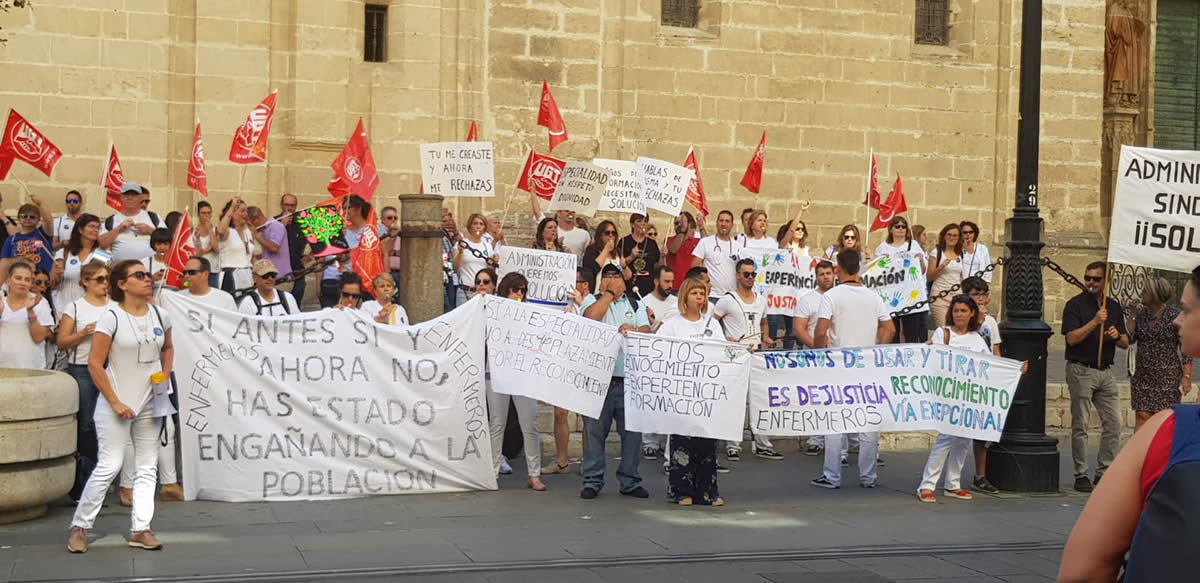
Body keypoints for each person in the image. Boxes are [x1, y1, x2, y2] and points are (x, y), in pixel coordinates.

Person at [1058, 265, 1200, 582]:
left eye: (1188, 310)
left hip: (1159, 374)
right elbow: (1126, 339)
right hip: (1133, 373)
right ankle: (1104, 474)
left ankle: (1114, 473)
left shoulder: (1174, 431)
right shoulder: (1081, 307)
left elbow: (1084, 571)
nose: (1179, 319)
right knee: (1117, 425)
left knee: (1125, 428)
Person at [68, 259, 174, 554]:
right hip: (116, 401)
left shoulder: (160, 314)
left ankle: (141, 529)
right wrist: (115, 401)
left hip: (151, 401)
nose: (147, 279)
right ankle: (81, 526)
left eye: (147, 274)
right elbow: (94, 364)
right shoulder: (111, 317)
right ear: (122, 284)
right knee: (110, 464)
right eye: (139, 275)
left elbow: (168, 348)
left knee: (146, 467)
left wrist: (164, 378)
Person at [918, 296, 1026, 503]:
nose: (959, 314)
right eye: (956, 310)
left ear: (972, 314)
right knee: (946, 439)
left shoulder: (976, 339)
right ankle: (927, 484)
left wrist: (1015, 368)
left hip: (969, 397)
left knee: (963, 441)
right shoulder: (944, 333)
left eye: (963, 311)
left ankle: (953, 483)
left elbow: (990, 363)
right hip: (949, 394)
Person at [810, 249, 895, 490]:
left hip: (838, 364)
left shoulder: (832, 296)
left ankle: (832, 475)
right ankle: (868, 476)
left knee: (835, 421)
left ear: (838, 268)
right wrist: (876, 350)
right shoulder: (873, 297)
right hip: (866, 365)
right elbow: (889, 328)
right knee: (868, 422)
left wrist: (819, 356)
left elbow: (820, 330)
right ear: (859, 267)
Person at [579, 263, 651, 500]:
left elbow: (647, 330)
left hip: (628, 378)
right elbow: (590, 319)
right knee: (594, 433)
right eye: (607, 276)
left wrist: (635, 328)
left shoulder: (634, 303)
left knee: (631, 434)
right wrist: (609, 294)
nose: (612, 279)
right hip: (599, 379)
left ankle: (630, 480)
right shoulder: (592, 301)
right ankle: (592, 479)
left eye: (616, 276)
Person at [1062, 261, 1130, 493]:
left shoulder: (1113, 306)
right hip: (1081, 370)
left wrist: (1115, 335)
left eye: (1096, 279)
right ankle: (1081, 473)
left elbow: (1124, 341)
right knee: (1080, 424)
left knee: (1114, 423)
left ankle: (1104, 471)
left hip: (1105, 371)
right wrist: (1094, 322)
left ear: (1105, 281)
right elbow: (1071, 339)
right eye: (1088, 278)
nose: (1091, 282)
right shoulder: (1075, 305)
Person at [659, 276, 727, 506]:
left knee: (706, 444)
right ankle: (681, 490)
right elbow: (658, 349)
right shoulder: (672, 324)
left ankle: (707, 490)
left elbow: (723, 351)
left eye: (702, 294)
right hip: (681, 392)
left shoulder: (712, 325)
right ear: (685, 297)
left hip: (705, 392)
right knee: (682, 442)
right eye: (695, 293)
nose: (700, 297)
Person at [713, 258, 781, 461]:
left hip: (756, 355)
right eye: (746, 274)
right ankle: (733, 444)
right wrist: (726, 339)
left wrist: (766, 337)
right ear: (737, 275)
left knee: (760, 399)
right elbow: (712, 324)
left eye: (753, 274)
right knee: (736, 401)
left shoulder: (761, 299)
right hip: (736, 356)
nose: (750, 278)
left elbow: (764, 322)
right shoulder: (727, 299)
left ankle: (763, 444)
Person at [57, 261, 113, 501]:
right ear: (85, 283)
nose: (104, 284)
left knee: (110, 423)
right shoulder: (76, 307)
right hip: (82, 368)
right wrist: (84, 333)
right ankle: (87, 478)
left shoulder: (115, 306)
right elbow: (62, 341)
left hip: (111, 368)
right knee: (87, 424)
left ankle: (106, 476)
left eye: (106, 278)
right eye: (99, 279)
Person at [486, 273, 546, 491]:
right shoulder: (491, 310)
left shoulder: (530, 312)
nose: (519, 294)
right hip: (496, 372)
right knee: (497, 424)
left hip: (522, 374)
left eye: (523, 290)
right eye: (515, 289)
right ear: (505, 289)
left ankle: (534, 474)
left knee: (530, 423)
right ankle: (492, 473)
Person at [1126, 277, 1190, 431]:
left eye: (1145, 290)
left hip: (1167, 377)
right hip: (1142, 376)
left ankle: (1161, 454)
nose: (1142, 293)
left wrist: (1186, 376)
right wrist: (1132, 314)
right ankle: (1140, 453)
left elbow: (1186, 348)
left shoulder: (1175, 315)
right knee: (1142, 417)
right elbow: (1129, 338)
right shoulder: (1140, 314)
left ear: (1155, 294)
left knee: (1163, 421)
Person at [960, 276, 1003, 494]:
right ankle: (951, 475)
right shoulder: (960, 318)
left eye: (983, 294)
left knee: (983, 433)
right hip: (964, 378)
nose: (981, 299)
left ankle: (980, 475)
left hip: (982, 380)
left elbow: (995, 351)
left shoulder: (991, 322)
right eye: (976, 295)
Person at [793, 259, 836, 456]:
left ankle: (840, 442)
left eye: (828, 273)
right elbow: (799, 329)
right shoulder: (807, 300)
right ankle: (815, 439)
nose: (825, 277)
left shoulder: (840, 296)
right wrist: (817, 348)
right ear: (816, 277)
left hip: (838, 357)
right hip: (814, 356)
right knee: (816, 399)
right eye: (822, 274)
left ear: (834, 274)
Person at [638, 265, 676, 461]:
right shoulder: (643, 302)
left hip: (671, 359)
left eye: (672, 281)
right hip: (651, 358)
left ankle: (664, 441)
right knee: (651, 401)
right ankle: (650, 442)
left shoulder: (677, 303)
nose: (670, 285)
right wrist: (653, 326)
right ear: (656, 281)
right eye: (666, 281)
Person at [320, 196, 385, 308]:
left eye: (348, 208)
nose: (344, 212)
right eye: (343, 209)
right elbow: (333, 258)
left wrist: (385, 278)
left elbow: (384, 255)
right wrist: (339, 239)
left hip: (367, 278)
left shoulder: (375, 228)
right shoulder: (339, 230)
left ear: (358, 208)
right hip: (338, 278)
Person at [875, 216, 929, 343]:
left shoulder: (914, 245)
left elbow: (922, 271)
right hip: (891, 295)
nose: (900, 229)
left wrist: (920, 259)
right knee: (893, 332)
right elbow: (877, 272)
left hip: (911, 295)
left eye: (903, 226)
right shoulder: (882, 248)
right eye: (897, 226)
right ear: (891, 229)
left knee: (912, 333)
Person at [0, 261, 54, 369]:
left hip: (31, 371)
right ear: (8, 281)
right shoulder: (1, 303)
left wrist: (30, 312)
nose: (23, 283)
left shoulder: (39, 303)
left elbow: (39, 338)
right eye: (18, 278)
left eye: (27, 280)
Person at [51, 213, 103, 311]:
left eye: (98, 227)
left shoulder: (103, 254)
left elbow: (103, 282)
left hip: (88, 307)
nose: (96, 230)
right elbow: (52, 283)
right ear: (80, 229)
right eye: (92, 226)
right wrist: (58, 275)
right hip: (63, 306)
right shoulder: (64, 252)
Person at [99, 183, 162, 263]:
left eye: (134, 195)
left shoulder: (154, 217)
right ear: (121, 197)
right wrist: (118, 229)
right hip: (120, 272)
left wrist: (150, 231)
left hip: (150, 272)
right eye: (126, 194)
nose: (130, 197)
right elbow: (100, 245)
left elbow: (168, 241)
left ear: (140, 198)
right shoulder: (111, 220)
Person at [451, 212, 497, 306]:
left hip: (482, 291)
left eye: (481, 224)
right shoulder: (461, 244)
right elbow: (455, 268)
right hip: (465, 291)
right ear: (470, 226)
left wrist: (493, 262)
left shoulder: (487, 246)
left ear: (484, 227)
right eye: (475, 223)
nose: (478, 226)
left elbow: (490, 270)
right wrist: (460, 252)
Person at [691, 210, 738, 299]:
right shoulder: (705, 242)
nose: (724, 224)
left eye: (727, 221)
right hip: (711, 296)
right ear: (716, 223)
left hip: (732, 296)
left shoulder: (738, 246)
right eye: (721, 220)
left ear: (732, 225)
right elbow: (694, 268)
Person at [926, 223, 964, 329]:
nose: (951, 237)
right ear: (944, 236)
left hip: (957, 297)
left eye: (955, 235)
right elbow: (929, 277)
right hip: (940, 296)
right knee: (944, 329)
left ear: (958, 238)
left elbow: (961, 276)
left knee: (956, 330)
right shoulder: (937, 252)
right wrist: (941, 267)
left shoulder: (961, 254)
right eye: (949, 234)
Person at [2, 202, 54, 274]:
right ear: (18, 218)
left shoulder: (43, 233)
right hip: (20, 280)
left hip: (40, 280)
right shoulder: (11, 239)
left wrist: (40, 204)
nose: (28, 218)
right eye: (24, 216)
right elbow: (4, 263)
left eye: (32, 217)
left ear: (38, 219)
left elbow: (48, 221)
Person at [276, 194, 311, 303]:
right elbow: (270, 243)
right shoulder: (274, 222)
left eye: (292, 205)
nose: (289, 208)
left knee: (296, 301)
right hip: (279, 270)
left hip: (297, 269)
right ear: (281, 205)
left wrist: (310, 256)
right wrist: (283, 225)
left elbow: (319, 239)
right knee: (280, 302)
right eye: (286, 204)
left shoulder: (302, 223)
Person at [216, 197, 254, 294]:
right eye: (242, 211)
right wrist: (232, 207)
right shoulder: (227, 231)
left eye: (246, 211)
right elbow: (220, 230)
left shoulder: (247, 232)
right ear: (232, 214)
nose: (246, 214)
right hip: (231, 275)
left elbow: (250, 257)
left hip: (248, 274)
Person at [620, 213, 661, 296]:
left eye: (645, 221)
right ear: (632, 224)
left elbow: (657, 265)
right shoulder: (624, 241)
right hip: (630, 285)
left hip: (648, 287)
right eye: (639, 221)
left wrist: (663, 255)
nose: (643, 223)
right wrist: (631, 257)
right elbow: (619, 265)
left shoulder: (651, 243)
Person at [247, 206, 291, 283]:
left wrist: (256, 235)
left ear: (256, 219)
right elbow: (268, 254)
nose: (250, 227)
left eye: (250, 224)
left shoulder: (275, 226)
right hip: (271, 276)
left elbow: (274, 248)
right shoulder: (265, 230)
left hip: (280, 277)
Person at [665, 212, 701, 293]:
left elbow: (708, 247)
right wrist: (682, 230)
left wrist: (701, 228)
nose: (679, 225)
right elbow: (674, 249)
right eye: (676, 223)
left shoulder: (697, 241)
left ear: (690, 224)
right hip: (674, 288)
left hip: (691, 287)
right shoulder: (669, 240)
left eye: (682, 223)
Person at [582, 220, 621, 290]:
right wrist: (606, 250)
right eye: (607, 233)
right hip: (598, 291)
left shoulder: (618, 251)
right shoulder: (592, 250)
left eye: (613, 233)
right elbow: (592, 270)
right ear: (600, 235)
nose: (611, 235)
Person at [193, 201, 221, 289]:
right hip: (199, 270)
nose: (206, 215)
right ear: (198, 214)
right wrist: (198, 241)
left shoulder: (215, 229)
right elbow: (198, 253)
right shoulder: (194, 231)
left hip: (213, 269)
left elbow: (216, 249)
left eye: (209, 213)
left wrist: (210, 230)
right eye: (203, 213)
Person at [441, 208, 461, 312]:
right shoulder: (441, 237)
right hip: (446, 276)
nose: (448, 223)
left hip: (454, 276)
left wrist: (455, 231)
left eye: (449, 221)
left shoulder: (451, 235)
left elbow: (463, 244)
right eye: (444, 221)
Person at [141, 229, 172, 295]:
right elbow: (138, 285)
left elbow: (186, 284)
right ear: (153, 245)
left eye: (166, 244)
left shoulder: (178, 262)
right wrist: (152, 279)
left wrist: (178, 280)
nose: (162, 247)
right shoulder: (144, 262)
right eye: (158, 244)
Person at [381, 206, 402, 288]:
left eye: (395, 218)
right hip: (389, 273)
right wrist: (393, 237)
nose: (393, 220)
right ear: (383, 220)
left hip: (400, 273)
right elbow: (384, 252)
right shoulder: (382, 233)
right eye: (389, 218)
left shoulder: (400, 233)